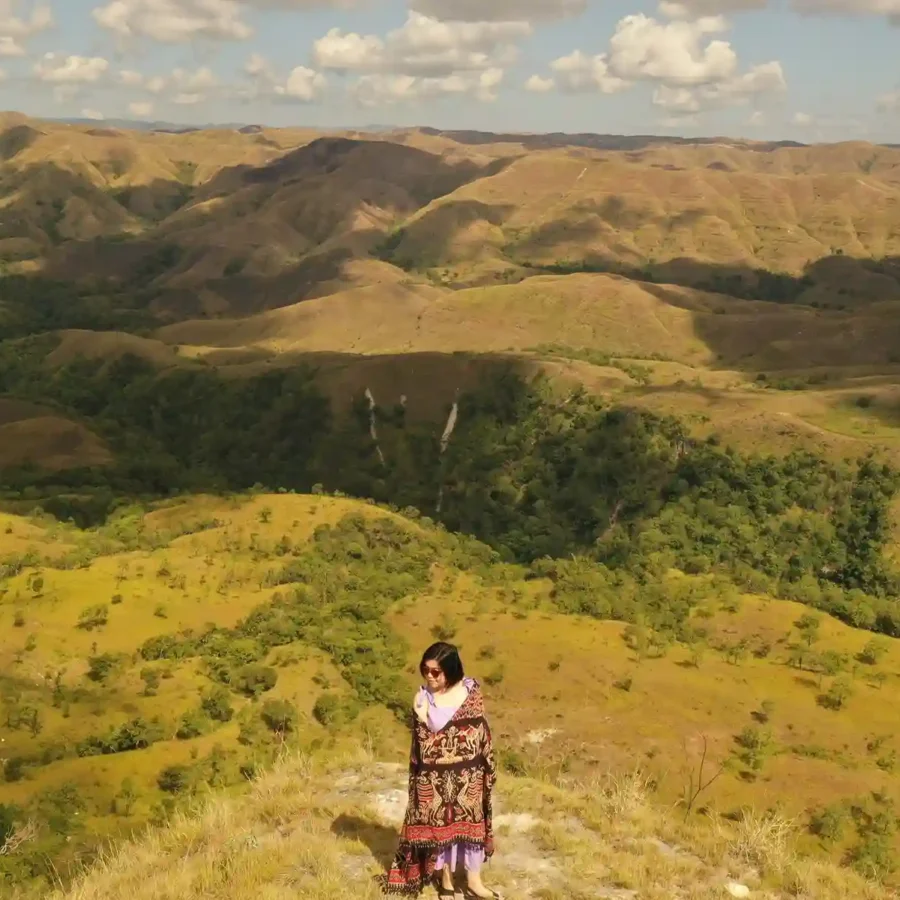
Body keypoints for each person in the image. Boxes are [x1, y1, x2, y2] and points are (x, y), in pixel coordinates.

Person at [382, 642, 499, 898]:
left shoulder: (470, 693)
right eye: (426, 670)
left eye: (436, 671)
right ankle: (445, 880)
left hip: (469, 776)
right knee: (440, 831)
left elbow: (478, 732)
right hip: (435, 779)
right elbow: (424, 742)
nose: (430, 676)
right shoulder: (423, 698)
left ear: (451, 669)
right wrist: (422, 716)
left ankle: (473, 882)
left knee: (471, 829)